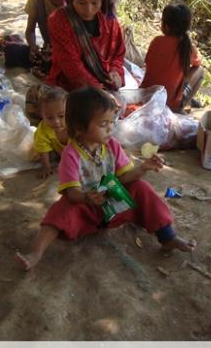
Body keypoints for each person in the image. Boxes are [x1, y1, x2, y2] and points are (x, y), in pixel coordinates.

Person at [15, 87, 196, 271]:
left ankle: (167, 237)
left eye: (111, 122)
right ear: (79, 127)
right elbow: (72, 192)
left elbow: (124, 178)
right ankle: (35, 253)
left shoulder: (112, 146)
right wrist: (86, 197)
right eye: (103, 124)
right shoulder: (71, 155)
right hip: (87, 210)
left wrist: (142, 168)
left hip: (115, 204)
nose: (110, 128)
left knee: (140, 187)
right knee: (61, 209)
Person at [45, 0, 126, 92]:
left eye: (95, 3)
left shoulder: (109, 20)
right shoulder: (58, 21)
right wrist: (97, 90)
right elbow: (71, 65)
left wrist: (115, 72)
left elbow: (118, 52)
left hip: (104, 81)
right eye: (82, 3)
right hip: (69, 85)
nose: (88, 9)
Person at [141, 2, 205, 112]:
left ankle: (182, 101)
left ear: (166, 26)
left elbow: (147, 63)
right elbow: (198, 62)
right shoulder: (187, 47)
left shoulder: (156, 41)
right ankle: (182, 106)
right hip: (169, 103)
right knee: (200, 71)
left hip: (145, 98)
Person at [18, 0, 65, 77]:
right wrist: (33, 47)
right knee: (13, 52)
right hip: (50, 49)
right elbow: (30, 30)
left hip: (73, 50)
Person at [32, 86, 69, 179]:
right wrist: (46, 166)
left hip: (77, 153)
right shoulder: (43, 129)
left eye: (61, 116)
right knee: (34, 154)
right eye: (49, 118)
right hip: (58, 152)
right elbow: (42, 148)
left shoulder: (76, 126)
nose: (56, 121)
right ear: (42, 116)